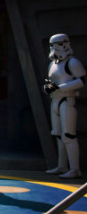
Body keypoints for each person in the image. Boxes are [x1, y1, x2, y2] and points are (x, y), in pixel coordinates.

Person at [43, 33, 85, 179]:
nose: (55, 48)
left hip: (67, 100)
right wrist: (48, 88)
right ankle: (62, 165)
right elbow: (50, 82)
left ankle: (75, 169)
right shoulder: (52, 64)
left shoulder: (72, 62)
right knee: (58, 134)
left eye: (58, 44)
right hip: (55, 100)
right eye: (52, 45)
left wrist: (61, 87)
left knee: (68, 135)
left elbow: (82, 81)